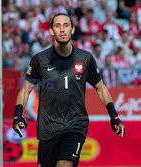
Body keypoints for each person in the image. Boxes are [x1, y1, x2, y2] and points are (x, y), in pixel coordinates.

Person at [12, 13, 125, 167]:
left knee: (64, 164)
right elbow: (25, 90)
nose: (62, 29)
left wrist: (114, 115)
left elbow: (100, 87)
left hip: (75, 126)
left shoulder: (85, 58)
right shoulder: (40, 59)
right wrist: (18, 114)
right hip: (48, 128)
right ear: (51, 31)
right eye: (57, 26)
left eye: (66, 25)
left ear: (72, 30)